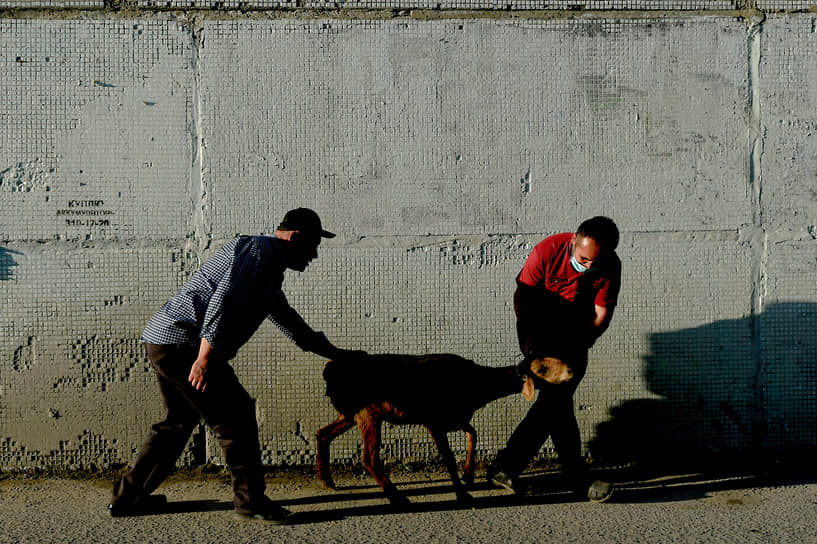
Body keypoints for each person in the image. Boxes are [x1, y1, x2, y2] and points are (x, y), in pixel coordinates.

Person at [108, 208, 359, 523]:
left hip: (163, 340)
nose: (314, 255)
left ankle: (127, 498)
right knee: (237, 417)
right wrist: (203, 359)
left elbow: (290, 323)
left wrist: (336, 353)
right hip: (184, 345)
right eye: (313, 246)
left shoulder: (267, 267)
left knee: (178, 422)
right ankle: (251, 501)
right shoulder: (260, 252)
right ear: (296, 237)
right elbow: (223, 301)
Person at [488, 216, 621, 503]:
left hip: (577, 338)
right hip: (540, 335)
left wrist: (581, 345)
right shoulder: (546, 252)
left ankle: (505, 466)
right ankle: (578, 479)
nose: (586, 267)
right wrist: (534, 350)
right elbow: (523, 301)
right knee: (557, 404)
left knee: (555, 405)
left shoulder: (610, 266)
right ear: (574, 240)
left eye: (593, 264)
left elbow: (600, 314)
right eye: (582, 259)